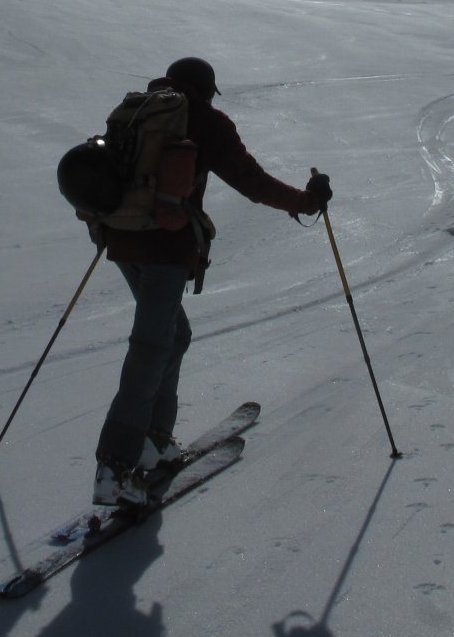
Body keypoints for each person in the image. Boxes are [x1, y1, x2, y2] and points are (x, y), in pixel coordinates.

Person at [92, 56, 331, 508]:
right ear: (207, 89)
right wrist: (306, 201)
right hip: (163, 248)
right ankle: (116, 466)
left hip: (121, 240)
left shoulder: (136, 110)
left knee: (173, 335)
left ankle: (154, 441)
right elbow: (252, 181)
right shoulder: (205, 120)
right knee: (150, 347)